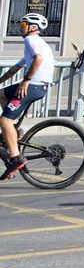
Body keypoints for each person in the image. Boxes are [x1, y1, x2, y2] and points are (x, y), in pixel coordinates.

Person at [0, 13, 55, 180]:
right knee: (1, 94)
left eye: (24, 23)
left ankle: (16, 158)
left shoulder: (31, 40)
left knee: (4, 121)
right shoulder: (36, 42)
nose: (21, 26)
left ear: (33, 27)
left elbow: (38, 59)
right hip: (37, 85)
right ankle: (13, 132)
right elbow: (15, 68)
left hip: (33, 86)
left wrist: (26, 81)